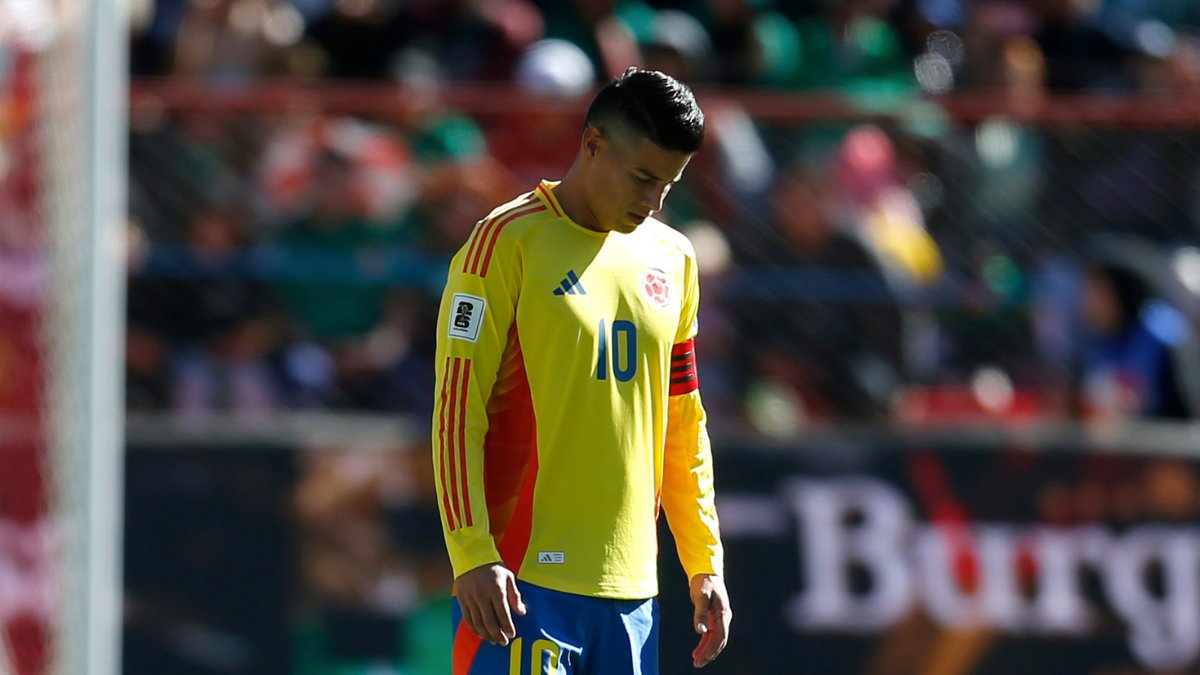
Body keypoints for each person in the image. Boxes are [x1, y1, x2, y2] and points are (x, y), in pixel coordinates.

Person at [432, 68, 730, 673]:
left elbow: (681, 420)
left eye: (667, 187)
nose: (651, 202)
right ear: (592, 144)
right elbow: (456, 410)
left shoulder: (674, 259)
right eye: (641, 178)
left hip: (633, 596)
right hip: (520, 584)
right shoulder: (504, 243)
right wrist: (471, 554)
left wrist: (704, 560)